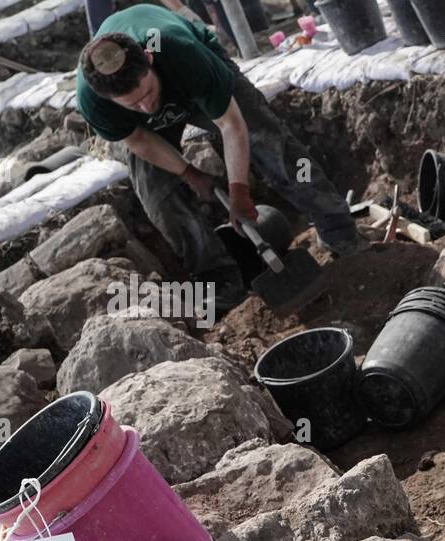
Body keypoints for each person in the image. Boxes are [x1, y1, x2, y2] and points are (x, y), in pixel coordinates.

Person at [75, 4, 357, 314]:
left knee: (273, 145)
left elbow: (231, 125)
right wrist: (190, 174)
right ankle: (219, 278)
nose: (145, 106)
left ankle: (336, 224)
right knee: (156, 194)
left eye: (148, 92)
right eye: (132, 104)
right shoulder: (92, 99)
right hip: (147, 131)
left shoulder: (180, 52)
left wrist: (239, 191)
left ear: (150, 61)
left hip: (191, 76)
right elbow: (139, 139)